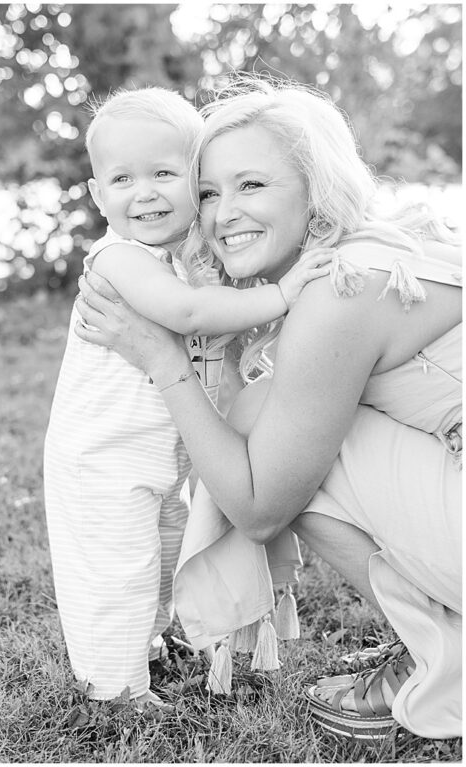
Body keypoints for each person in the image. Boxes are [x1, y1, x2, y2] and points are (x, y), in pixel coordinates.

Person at [74, 76, 461, 740]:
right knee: (274, 417)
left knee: (285, 453)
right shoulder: (365, 255)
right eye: (208, 192)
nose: (222, 215)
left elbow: (260, 505)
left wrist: (162, 358)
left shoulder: (340, 293)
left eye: (252, 185)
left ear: (317, 190)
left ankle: (450, 657)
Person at [43, 87, 332, 707]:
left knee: (159, 555)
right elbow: (192, 313)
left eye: (165, 174)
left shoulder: (179, 260)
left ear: (195, 181)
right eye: (122, 178)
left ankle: (146, 641)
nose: (143, 192)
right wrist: (283, 297)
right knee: (114, 570)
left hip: (156, 459)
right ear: (98, 196)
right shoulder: (119, 258)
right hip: (100, 460)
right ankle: (115, 687)